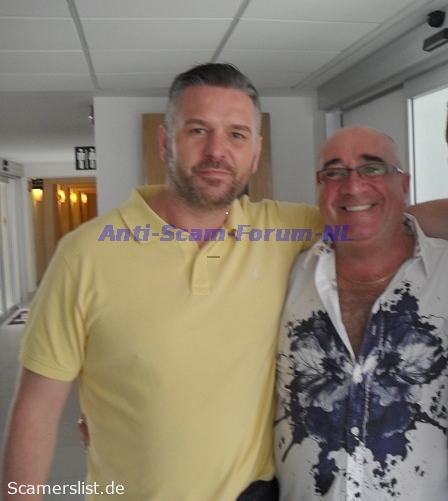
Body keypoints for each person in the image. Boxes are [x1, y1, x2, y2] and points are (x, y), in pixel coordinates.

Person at [1, 66, 447, 501]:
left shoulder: (282, 231)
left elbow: (373, 217)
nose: (217, 150)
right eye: (198, 130)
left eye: (237, 135)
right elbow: (35, 412)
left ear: (255, 153)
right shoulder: (85, 254)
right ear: (165, 142)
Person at [275, 126, 448, 500]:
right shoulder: (286, 276)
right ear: (320, 187)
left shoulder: (445, 275)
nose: (353, 186)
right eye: (335, 172)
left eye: (373, 168)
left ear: (404, 184)